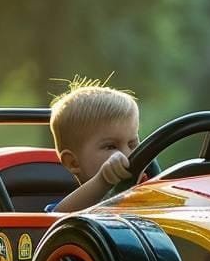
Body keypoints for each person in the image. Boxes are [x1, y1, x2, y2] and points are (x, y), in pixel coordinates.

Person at [46, 79, 140, 212]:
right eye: (111, 146)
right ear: (73, 162)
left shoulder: (145, 189)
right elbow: (60, 215)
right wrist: (103, 180)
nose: (128, 155)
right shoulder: (73, 209)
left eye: (132, 144)